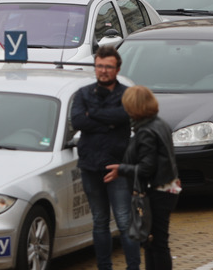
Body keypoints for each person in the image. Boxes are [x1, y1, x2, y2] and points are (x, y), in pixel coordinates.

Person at [71, 46, 141, 270]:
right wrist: (109, 123)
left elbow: (124, 115)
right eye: (99, 66)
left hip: (117, 167)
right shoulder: (82, 93)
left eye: (108, 67)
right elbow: (78, 121)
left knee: (123, 220)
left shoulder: (127, 95)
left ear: (117, 69)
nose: (103, 71)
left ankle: (133, 267)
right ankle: (104, 267)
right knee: (99, 221)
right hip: (90, 166)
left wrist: (95, 116)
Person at [105, 86, 180, 270]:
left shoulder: (146, 131)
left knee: (157, 242)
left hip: (157, 192)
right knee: (152, 241)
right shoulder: (159, 123)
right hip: (167, 188)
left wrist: (121, 169)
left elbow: (147, 167)